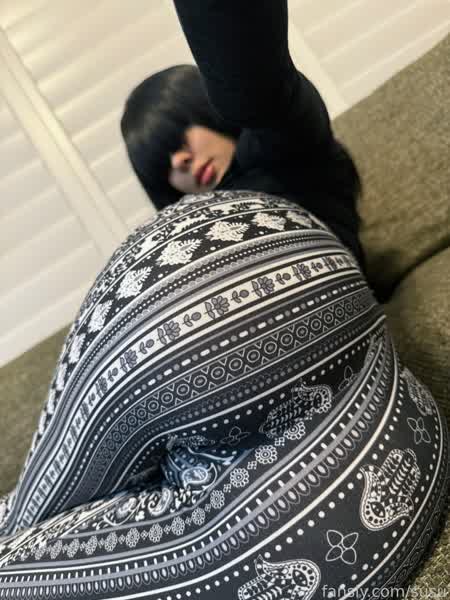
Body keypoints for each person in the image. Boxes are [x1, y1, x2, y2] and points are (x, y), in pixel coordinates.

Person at [0, 2, 447, 599]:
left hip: (287, 306)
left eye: (177, 135)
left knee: (32, 504)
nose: (181, 162)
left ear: (208, 106)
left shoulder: (288, 151)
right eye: (165, 165)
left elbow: (260, 84)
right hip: (255, 434)